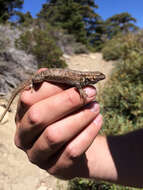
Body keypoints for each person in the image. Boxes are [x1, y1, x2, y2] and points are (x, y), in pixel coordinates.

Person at [15, 69, 143, 188]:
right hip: (47, 76)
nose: (100, 78)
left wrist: (73, 161)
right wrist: (80, 91)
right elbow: (77, 84)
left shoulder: (82, 79)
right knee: (39, 78)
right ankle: (32, 83)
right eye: (98, 76)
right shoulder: (81, 80)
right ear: (92, 77)